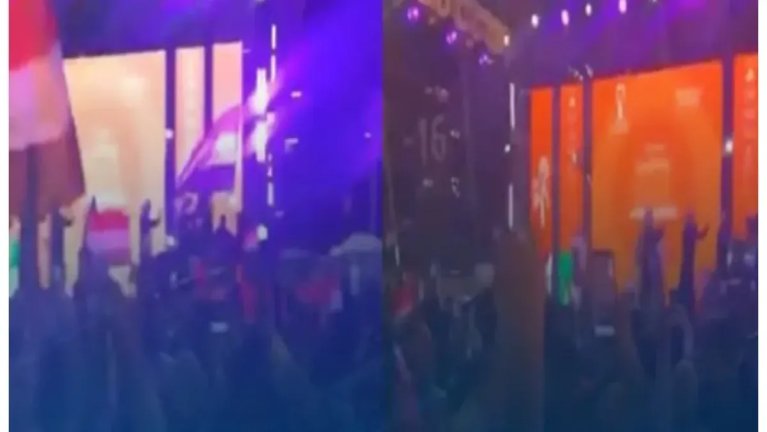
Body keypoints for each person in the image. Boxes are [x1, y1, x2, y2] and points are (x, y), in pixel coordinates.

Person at [678, 213, 708, 317]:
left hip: (687, 261)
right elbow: (700, 235)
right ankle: (688, 306)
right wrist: (706, 228)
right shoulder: (689, 230)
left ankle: (684, 304)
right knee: (687, 281)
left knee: (685, 280)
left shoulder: (686, 230)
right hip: (688, 261)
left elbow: (699, 235)